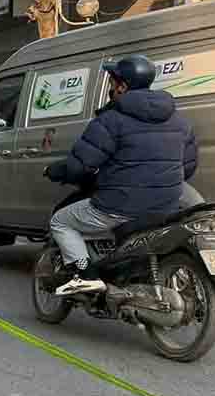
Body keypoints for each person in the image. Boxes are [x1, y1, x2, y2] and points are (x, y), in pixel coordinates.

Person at [43, 54, 198, 295]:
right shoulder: (179, 121)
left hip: (119, 205)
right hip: (167, 205)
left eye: (112, 83)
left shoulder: (111, 120)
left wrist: (55, 171)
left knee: (61, 222)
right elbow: (188, 167)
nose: (111, 89)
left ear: (122, 86)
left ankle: (85, 273)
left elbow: (81, 166)